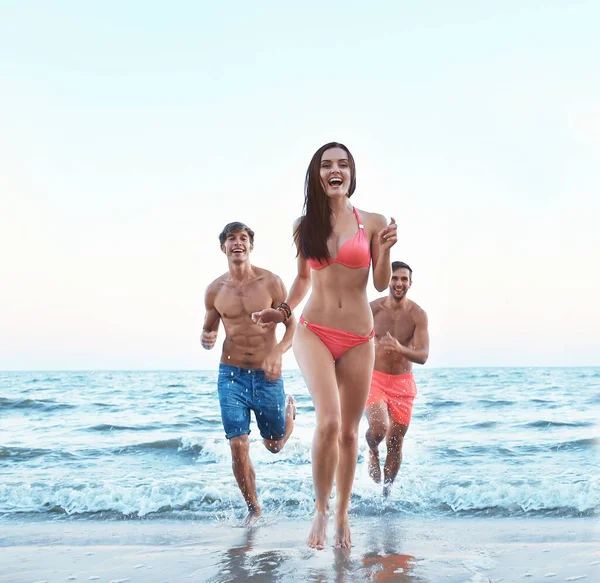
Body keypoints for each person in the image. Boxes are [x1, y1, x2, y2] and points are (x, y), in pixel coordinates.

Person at [252, 142, 397, 549]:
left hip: (358, 338)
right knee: (329, 422)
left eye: (343, 164)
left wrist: (383, 250)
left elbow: (382, 282)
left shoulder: (372, 221)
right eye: (327, 164)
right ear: (317, 175)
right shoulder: (305, 226)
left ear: (352, 173)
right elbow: (302, 280)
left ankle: (343, 514)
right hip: (313, 330)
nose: (336, 170)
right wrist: (282, 311)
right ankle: (320, 509)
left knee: (350, 433)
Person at [201, 221, 297, 526]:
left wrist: (277, 352)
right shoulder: (215, 290)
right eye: (232, 239)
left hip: (266, 374)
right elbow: (208, 328)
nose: (238, 243)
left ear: (251, 246)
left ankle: (289, 416)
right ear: (223, 247)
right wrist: (206, 338)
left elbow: (294, 325)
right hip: (231, 375)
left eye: (243, 238)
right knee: (238, 444)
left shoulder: (271, 283)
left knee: (274, 445)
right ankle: (253, 508)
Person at [365, 261, 429, 497]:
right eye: (394, 278)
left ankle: (386, 495)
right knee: (380, 428)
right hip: (375, 378)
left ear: (410, 283)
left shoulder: (418, 315)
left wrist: (400, 348)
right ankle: (372, 448)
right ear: (387, 281)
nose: (399, 283)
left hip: (403, 383)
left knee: (395, 443)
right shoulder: (372, 309)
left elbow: (423, 355)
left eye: (403, 279)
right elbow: (353, 337)